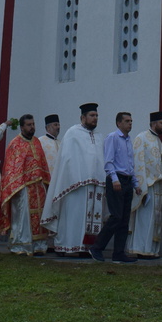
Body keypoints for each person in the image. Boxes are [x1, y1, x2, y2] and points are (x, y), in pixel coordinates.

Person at [41, 103, 106, 256]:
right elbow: (66, 159)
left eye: (96, 116)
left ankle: (85, 248)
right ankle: (66, 246)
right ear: (83, 117)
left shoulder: (99, 136)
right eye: (92, 115)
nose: (95, 118)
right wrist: (75, 177)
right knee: (73, 216)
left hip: (95, 185)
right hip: (75, 185)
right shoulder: (73, 133)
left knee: (91, 218)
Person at [0, 114, 52, 255]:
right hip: (22, 188)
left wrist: (45, 182)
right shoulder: (15, 144)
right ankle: (21, 245)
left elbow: (42, 162)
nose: (32, 127)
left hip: (38, 187)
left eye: (33, 124)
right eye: (29, 125)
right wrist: (19, 185)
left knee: (39, 216)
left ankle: (39, 245)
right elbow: (11, 169)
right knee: (23, 217)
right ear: (22, 127)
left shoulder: (37, 142)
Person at [90, 111, 140, 263]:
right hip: (116, 181)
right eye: (127, 121)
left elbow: (130, 165)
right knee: (116, 216)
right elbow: (109, 161)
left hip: (127, 181)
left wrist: (135, 184)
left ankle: (119, 253)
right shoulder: (113, 138)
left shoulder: (128, 140)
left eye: (131, 121)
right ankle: (97, 247)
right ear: (119, 123)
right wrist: (114, 179)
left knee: (124, 219)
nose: (130, 123)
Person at [129, 111, 162, 259]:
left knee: (155, 221)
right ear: (154, 124)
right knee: (145, 219)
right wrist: (141, 186)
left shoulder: (158, 141)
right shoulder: (141, 138)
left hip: (158, 187)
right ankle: (140, 248)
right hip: (147, 187)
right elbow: (137, 163)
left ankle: (152, 250)